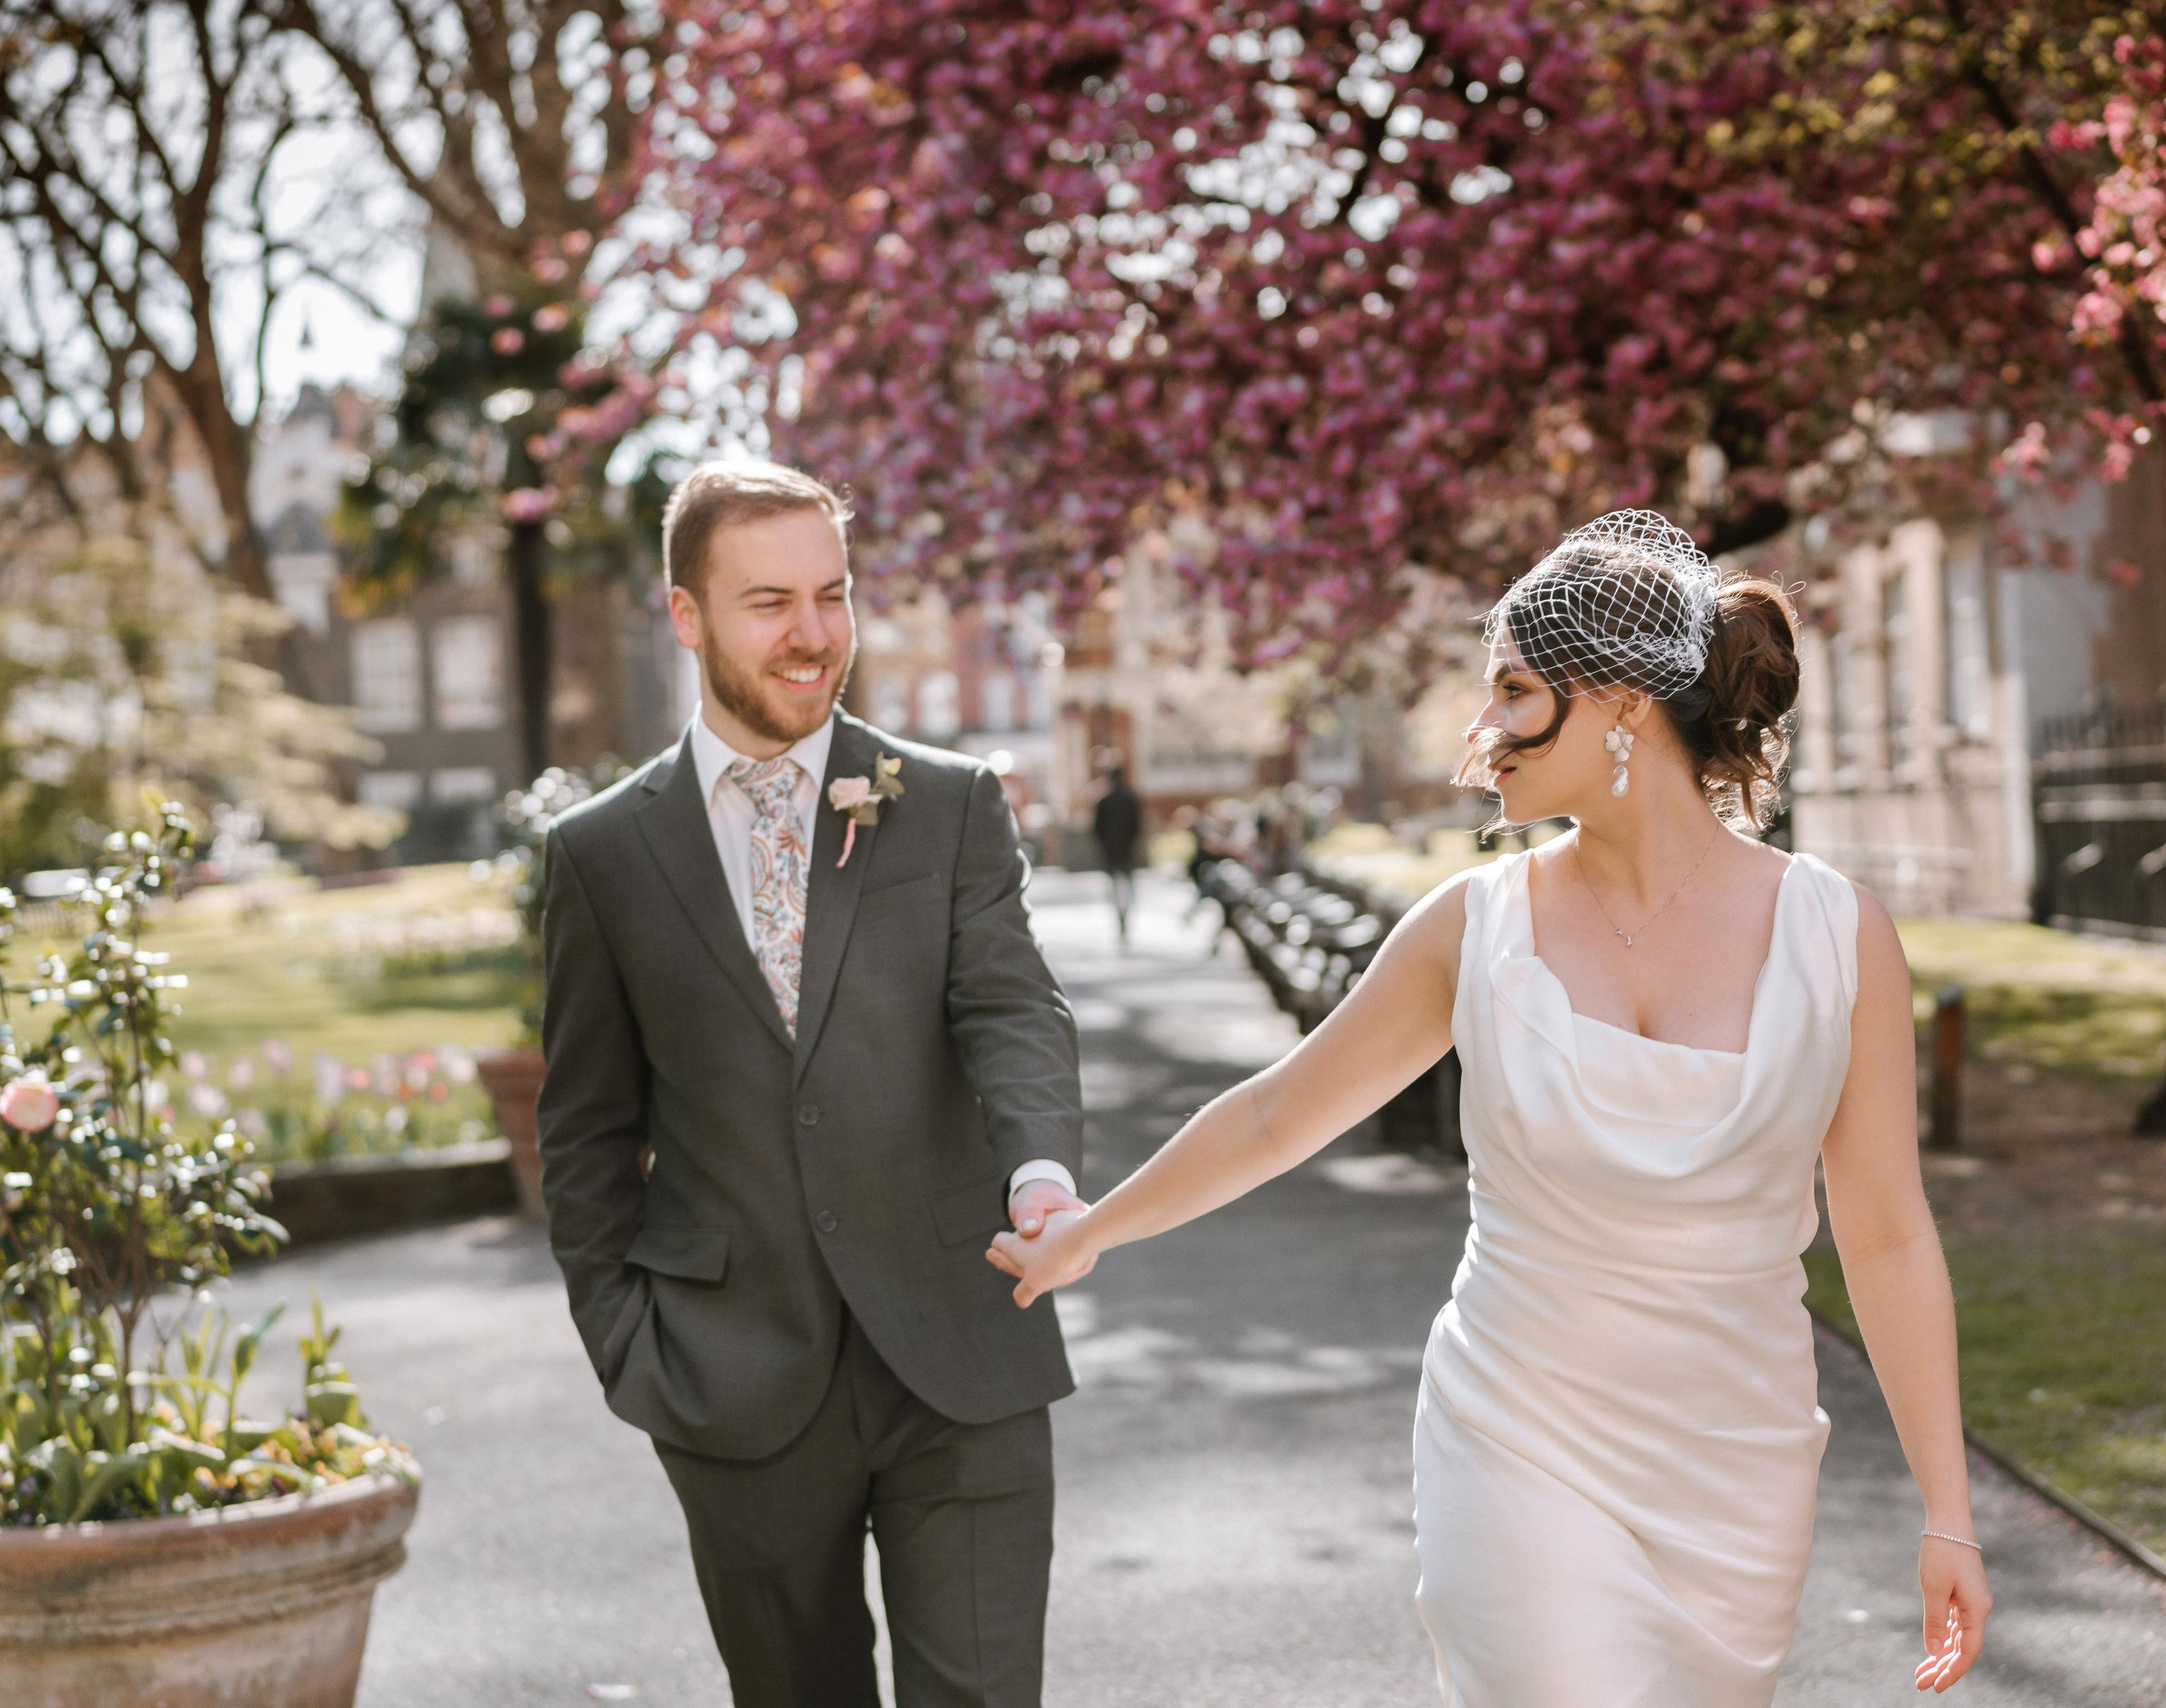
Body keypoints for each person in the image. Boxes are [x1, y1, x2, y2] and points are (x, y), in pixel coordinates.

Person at [992, 511, 1991, 1705]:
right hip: (1514, 1437)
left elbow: (1883, 1233)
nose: (1482, 735)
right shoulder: (1473, 928)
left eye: (1514, 693)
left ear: (1623, 701)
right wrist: (1092, 1228)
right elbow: (1275, 1115)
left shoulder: (1839, 936)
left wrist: (1949, 1511)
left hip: (1737, 1465)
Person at [536, 460, 1086, 1707]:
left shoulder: (946, 804)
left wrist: (1041, 1175)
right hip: (733, 1380)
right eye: (770, 601)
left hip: (962, 1342)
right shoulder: (602, 854)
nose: (813, 634)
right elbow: (583, 1129)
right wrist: (634, 1347)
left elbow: (1011, 1008)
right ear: (686, 617)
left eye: (832, 595)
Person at [1091, 766, 1143, 944]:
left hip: (1112, 849)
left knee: (1115, 885)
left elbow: (1096, 828)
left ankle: (1120, 915)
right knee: (1126, 884)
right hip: (1126, 848)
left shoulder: (1104, 800)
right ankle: (1124, 914)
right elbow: (1137, 825)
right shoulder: (1130, 798)